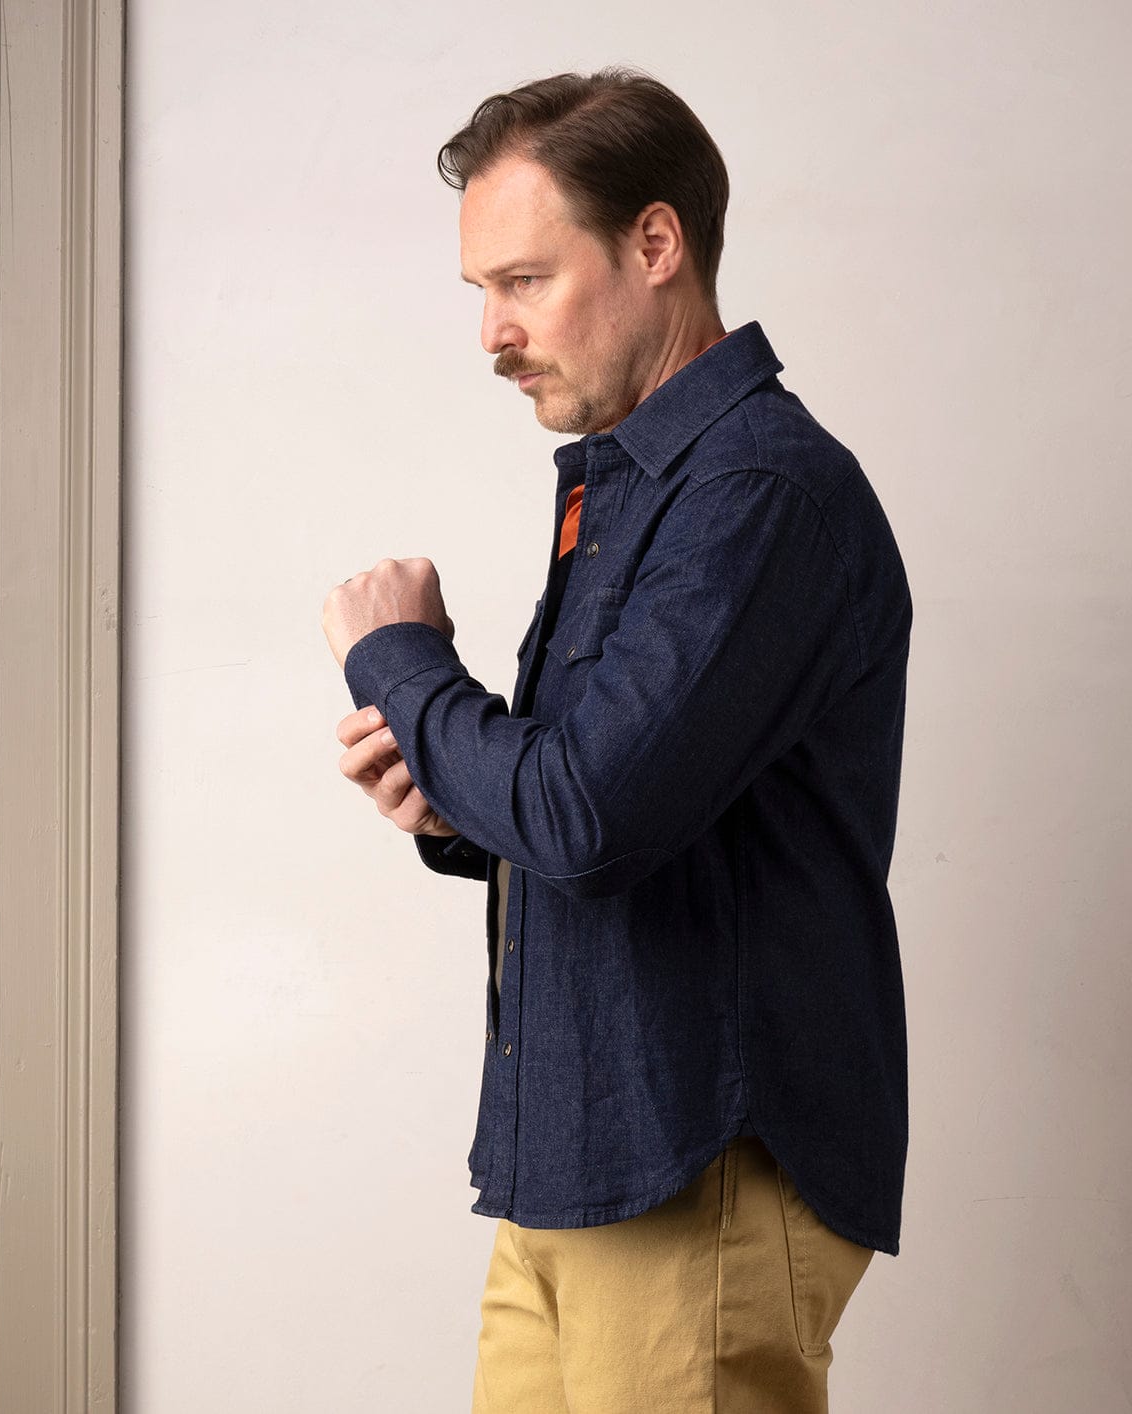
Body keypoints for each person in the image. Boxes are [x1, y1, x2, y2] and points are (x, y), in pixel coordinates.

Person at [322, 66, 912, 1414]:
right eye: (480, 291)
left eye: (522, 281)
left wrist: (402, 661)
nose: (491, 332)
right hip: (579, 1164)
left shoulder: (758, 491)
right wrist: (458, 805)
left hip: (693, 1168)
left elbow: (588, 810)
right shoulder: (643, 490)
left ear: (656, 245)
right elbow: (622, 809)